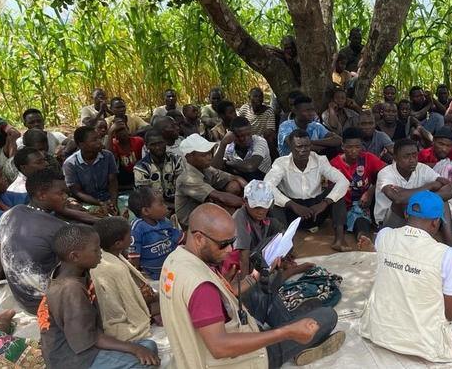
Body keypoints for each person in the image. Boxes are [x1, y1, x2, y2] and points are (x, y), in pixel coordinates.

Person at [159, 203, 344, 368]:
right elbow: (220, 347)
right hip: (242, 361)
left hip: (197, 351)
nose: (230, 250)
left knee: (264, 291)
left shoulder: (176, 259)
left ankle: (296, 332)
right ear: (199, 238)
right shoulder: (202, 288)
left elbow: (227, 294)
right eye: (224, 244)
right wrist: (286, 332)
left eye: (232, 242)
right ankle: (298, 339)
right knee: (327, 315)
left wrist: (255, 275)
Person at [37, 224, 160, 368]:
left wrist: (137, 349)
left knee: (149, 347)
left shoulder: (74, 270)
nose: (101, 253)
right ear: (75, 256)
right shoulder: (71, 290)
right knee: (146, 363)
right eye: (96, 250)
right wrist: (135, 349)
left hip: (83, 344)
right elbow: (89, 339)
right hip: (76, 360)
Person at [358, 191, 452, 362]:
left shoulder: (384, 235)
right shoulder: (444, 254)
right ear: (436, 222)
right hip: (425, 345)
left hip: (379, 332)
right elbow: (451, 314)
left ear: (406, 214)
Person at [0, 169, 67, 313]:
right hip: (48, 305)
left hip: (22, 301)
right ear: (41, 195)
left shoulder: (8, 216)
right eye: (61, 193)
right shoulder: (60, 228)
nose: (65, 197)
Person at [375, 139, 452, 245]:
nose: (412, 160)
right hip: (389, 223)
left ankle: (450, 243)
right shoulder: (386, 173)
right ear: (395, 158)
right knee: (404, 203)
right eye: (406, 156)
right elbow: (398, 199)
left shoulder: (422, 168)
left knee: (440, 200)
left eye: (415, 155)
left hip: (416, 217)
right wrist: (430, 186)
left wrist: (419, 198)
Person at [265, 130, 349, 232]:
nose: (304, 150)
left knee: (336, 194)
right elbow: (267, 185)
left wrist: (324, 203)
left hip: (316, 212)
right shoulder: (281, 163)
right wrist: (292, 204)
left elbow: (343, 181)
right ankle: (282, 236)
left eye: (307, 146)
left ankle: (340, 237)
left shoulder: (320, 160)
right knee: (273, 201)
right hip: (291, 213)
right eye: (299, 146)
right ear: (291, 147)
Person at [90, 217, 154, 342]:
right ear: (118, 244)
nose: (132, 238)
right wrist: (150, 298)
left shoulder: (108, 255)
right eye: (129, 236)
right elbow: (132, 304)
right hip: (119, 322)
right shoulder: (115, 268)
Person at [329, 128, 386, 251]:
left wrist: (371, 191)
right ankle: (343, 238)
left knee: (361, 221)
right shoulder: (334, 164)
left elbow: (388, 173)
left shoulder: (368, 158)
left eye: (358, 146)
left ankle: (364, 240)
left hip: (364, 205)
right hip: (343, 207)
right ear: (343, 146)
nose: (354, 151)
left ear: (362, 146)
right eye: (349, 147)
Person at [175, 134, 246, 230]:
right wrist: (248, 203)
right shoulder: (187, 178)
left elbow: (232, 177)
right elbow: (220, 197)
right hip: (191, 222)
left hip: (205, 210)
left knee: (234, 185)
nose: (209, 157)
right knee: (231, 211)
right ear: (190, 156)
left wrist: (248, 189)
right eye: (204, 155)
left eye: (209, 153)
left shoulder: (206, 168)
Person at [128, 187, 183, 280]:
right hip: (152, 277)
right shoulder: (137, 228)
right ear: (146, 211)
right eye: (161, 204)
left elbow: (179, 238)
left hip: (173, 270)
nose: (166, 206)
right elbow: (134, 259)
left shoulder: (165, 222)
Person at [63, 126, 119, 214]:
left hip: (108, 199)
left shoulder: (107, 156)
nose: (99, 142)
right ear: (81, 145)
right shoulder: (70, 163)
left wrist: (113, 202)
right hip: (86, 203)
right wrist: (100, 203)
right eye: (94, 140)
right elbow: (77, 191)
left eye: (99, 138)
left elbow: (113, 181)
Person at [0, 160, 27, 271]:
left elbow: (31, 198)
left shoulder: (1, 196)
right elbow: (12, 223)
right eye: (0, 176)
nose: (5, 179)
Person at [133, 130, 183, 209]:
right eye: (153, 145)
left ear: (165, 142)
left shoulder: (176, 160)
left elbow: (181, 187)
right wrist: (173, 207)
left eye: (160, 143)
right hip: (153, 206)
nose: (158, 147)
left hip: (177, 201)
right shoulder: (141, 167)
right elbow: (146, 197)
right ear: (147, 146)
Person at [277, 96, 341, 157]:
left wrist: (311, 142)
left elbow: (338, 140)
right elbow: (296, 145)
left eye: (312, 110)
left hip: (313, 161)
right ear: (296, 111)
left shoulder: (316, 126)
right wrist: (325, 146)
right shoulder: (285, 126)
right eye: (307, 110)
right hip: (289, 163)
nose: (311, 113)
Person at [213, 117, 272, 181]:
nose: (246, 139)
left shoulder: (259, 141)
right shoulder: (228, 144)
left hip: (264, 180)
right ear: (232, 135)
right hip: (242, 180)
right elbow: (214, 168)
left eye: (248, 134)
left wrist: (226, 162)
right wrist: (223, 144)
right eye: (241, 136)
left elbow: (250, 166)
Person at [105, 118, 145, 190]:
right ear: (114, 134)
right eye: (117, 131)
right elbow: (109, 158)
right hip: (122, 180)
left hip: (139, 176)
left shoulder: (138, 141)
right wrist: (110, 133)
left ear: (128, 130)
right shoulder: (113, 144)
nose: (121, 133)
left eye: (123, 129)